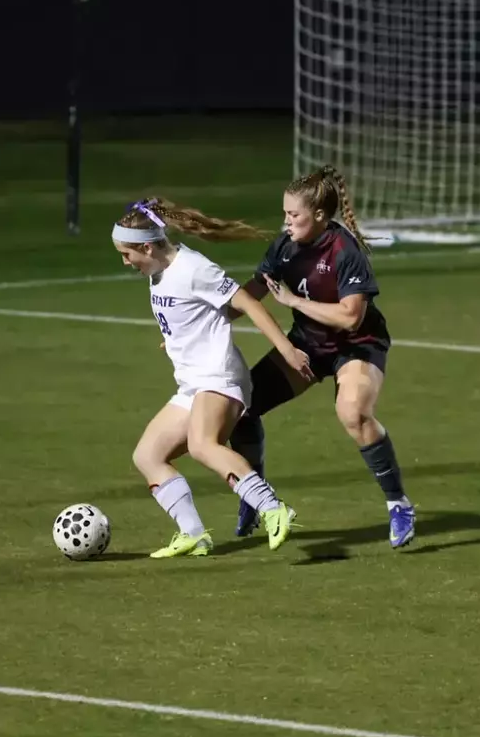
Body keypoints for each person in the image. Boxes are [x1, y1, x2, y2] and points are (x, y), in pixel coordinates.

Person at [227, 166, 417, 549]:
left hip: (356, 345)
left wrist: (295, 301)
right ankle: (255, 495)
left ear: (318, 216)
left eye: (292, 215)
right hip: (309, 345)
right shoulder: (284, 247)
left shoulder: (345, 251)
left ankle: (399, 504)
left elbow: (351, 317)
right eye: (284, 213)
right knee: (240, 407)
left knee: (353, 413)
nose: (286, 221)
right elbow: (251, 293)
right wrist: (204, 320)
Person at [112, 198, 308, 558]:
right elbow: (193, 313)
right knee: (148, 456)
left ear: (146, 246)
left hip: (219, 375)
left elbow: (246, 303)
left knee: (203, 444)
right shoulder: (159, 272)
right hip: (193, 382)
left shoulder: (192, 268)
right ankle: (194, 534)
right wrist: (174, 337)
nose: (125, 262)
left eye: (127, 254)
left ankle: (274, 509)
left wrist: (287, 350)